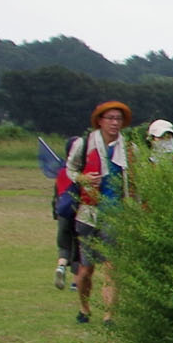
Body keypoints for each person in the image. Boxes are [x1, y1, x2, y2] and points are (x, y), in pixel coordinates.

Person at [57, 101, 136, 325]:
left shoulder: (129, 148)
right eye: (110, 118)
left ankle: (109, 315)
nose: (114, 123)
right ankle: (84, 308)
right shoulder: (84, 144)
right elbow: (70, 170)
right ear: (99, 120)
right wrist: (82, 178)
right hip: (88, 214)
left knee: (112, 267)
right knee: (86, 270)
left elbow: (135, 182)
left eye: (118, 119)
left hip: (116, 213)